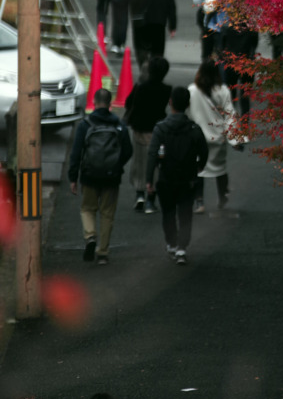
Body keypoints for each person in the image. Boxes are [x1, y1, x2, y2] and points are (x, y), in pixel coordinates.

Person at [68, 88, 133, 265]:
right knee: (107, 214)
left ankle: (90, 236)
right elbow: (128, 150)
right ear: (110, 103)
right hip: (111, 177)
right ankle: (103, 253)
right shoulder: (119, 125)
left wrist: (73, 177)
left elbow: (76, 153)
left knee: (87, 209)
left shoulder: (85, 124)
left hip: (89, 175)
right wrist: (116, 164)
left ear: (94, 102)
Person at [146, 85, 208, 265]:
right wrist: (199, 167)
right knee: (185, 212)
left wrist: (149, 179)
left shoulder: (161, 128)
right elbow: (204, 151)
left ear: (170, 102)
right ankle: (182, 247)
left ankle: (172, 243)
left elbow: (152, 154)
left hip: (166, 177)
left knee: (168, 213)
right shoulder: (194, 129)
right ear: (188, 104)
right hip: (188, 177)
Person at [187, 58, 237, 214]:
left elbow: (187, 112)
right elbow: (230, 114)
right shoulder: (223, 91)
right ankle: (222, 196)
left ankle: (199, 202)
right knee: (220, 169)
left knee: (198, 170)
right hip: (218, 137)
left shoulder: (193, 90)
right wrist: (235, 138)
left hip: (198, 138)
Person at [123, 55, 172, 213]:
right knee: (156, 164)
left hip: (139, 129)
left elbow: (129, 103)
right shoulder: (167, 90)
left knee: (139, 162)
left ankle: (140, 195)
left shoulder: (141, 87)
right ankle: (151, 200)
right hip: (157, 132)